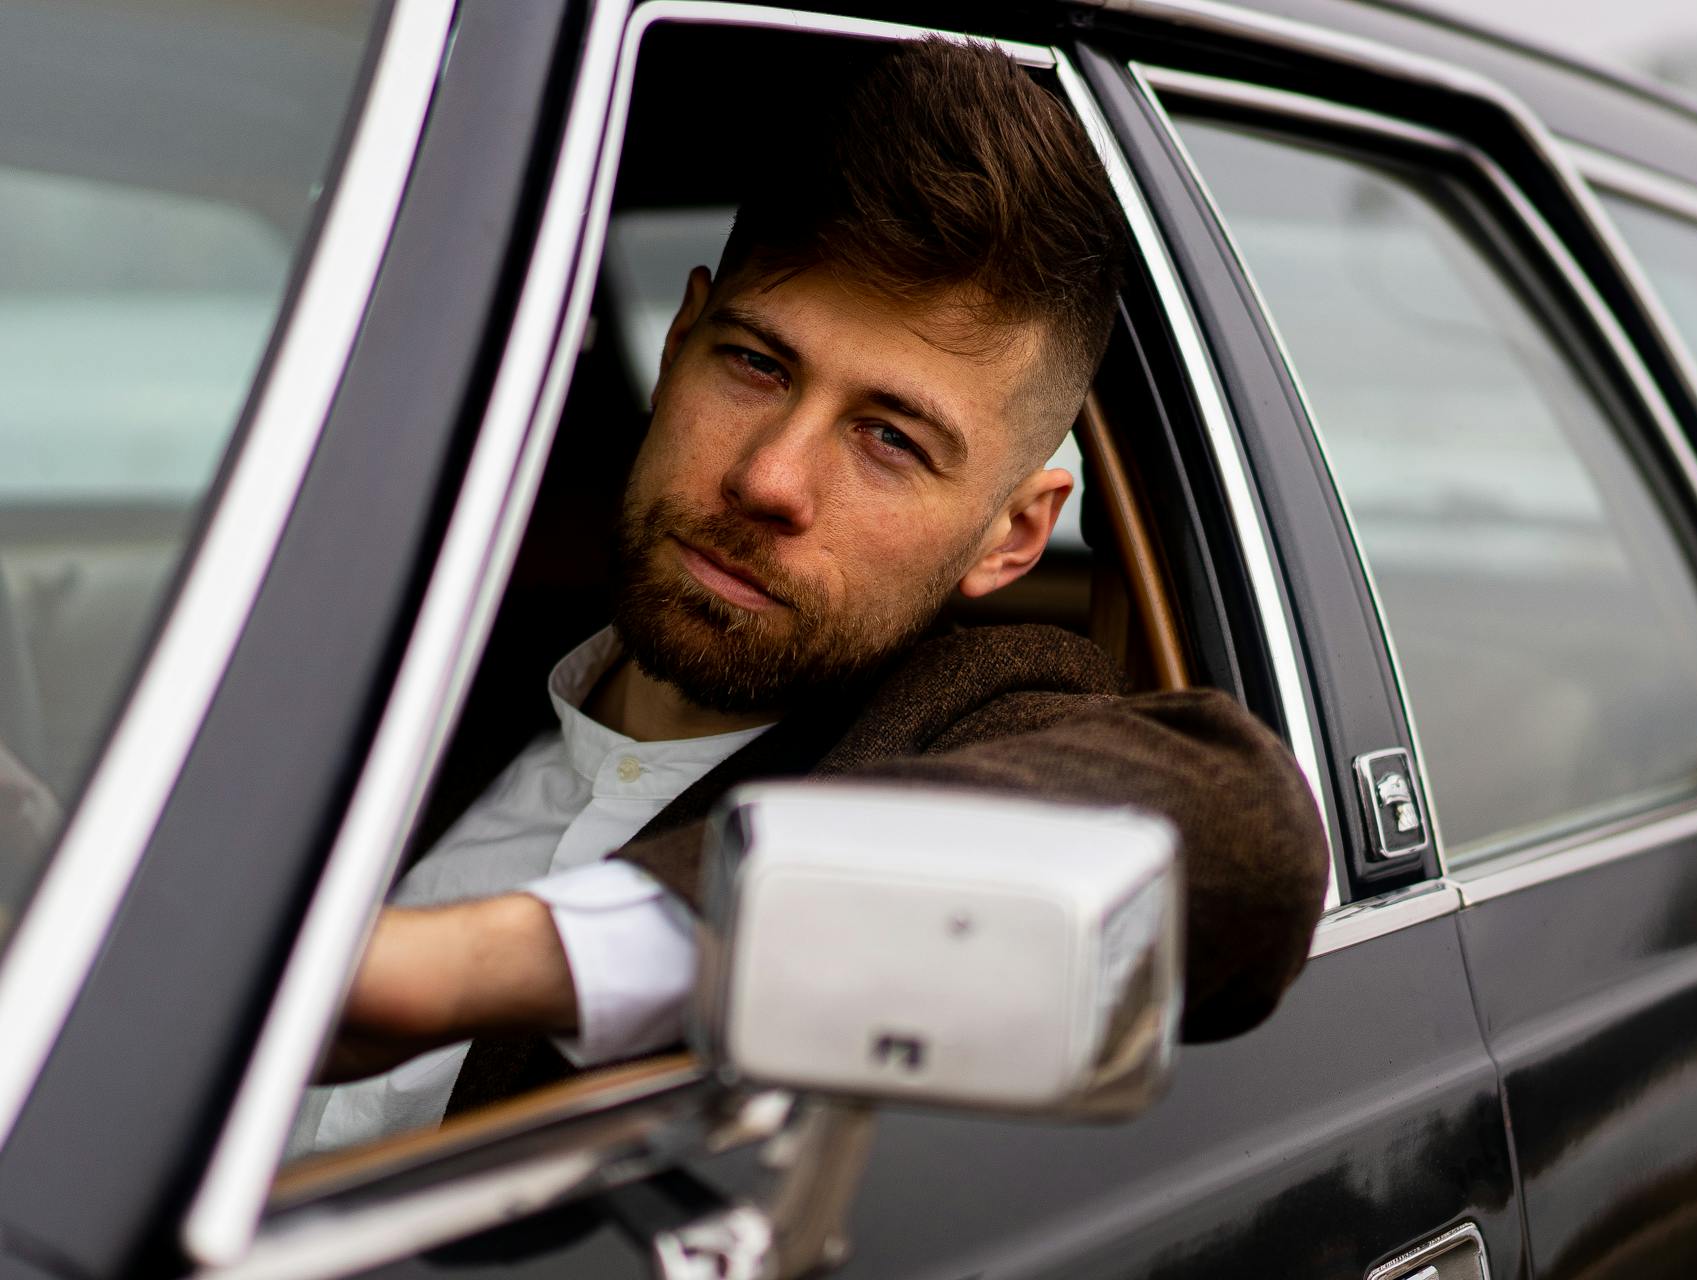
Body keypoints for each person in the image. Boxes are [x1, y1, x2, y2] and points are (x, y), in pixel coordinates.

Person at [293, 36, 1327, 1157]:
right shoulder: (421, 646)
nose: (767, 479)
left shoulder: (961, 722)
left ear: (1013, 534)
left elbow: (1246, 834)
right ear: (680, 340)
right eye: (756, 365)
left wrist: (466, 969)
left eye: (891, 438)